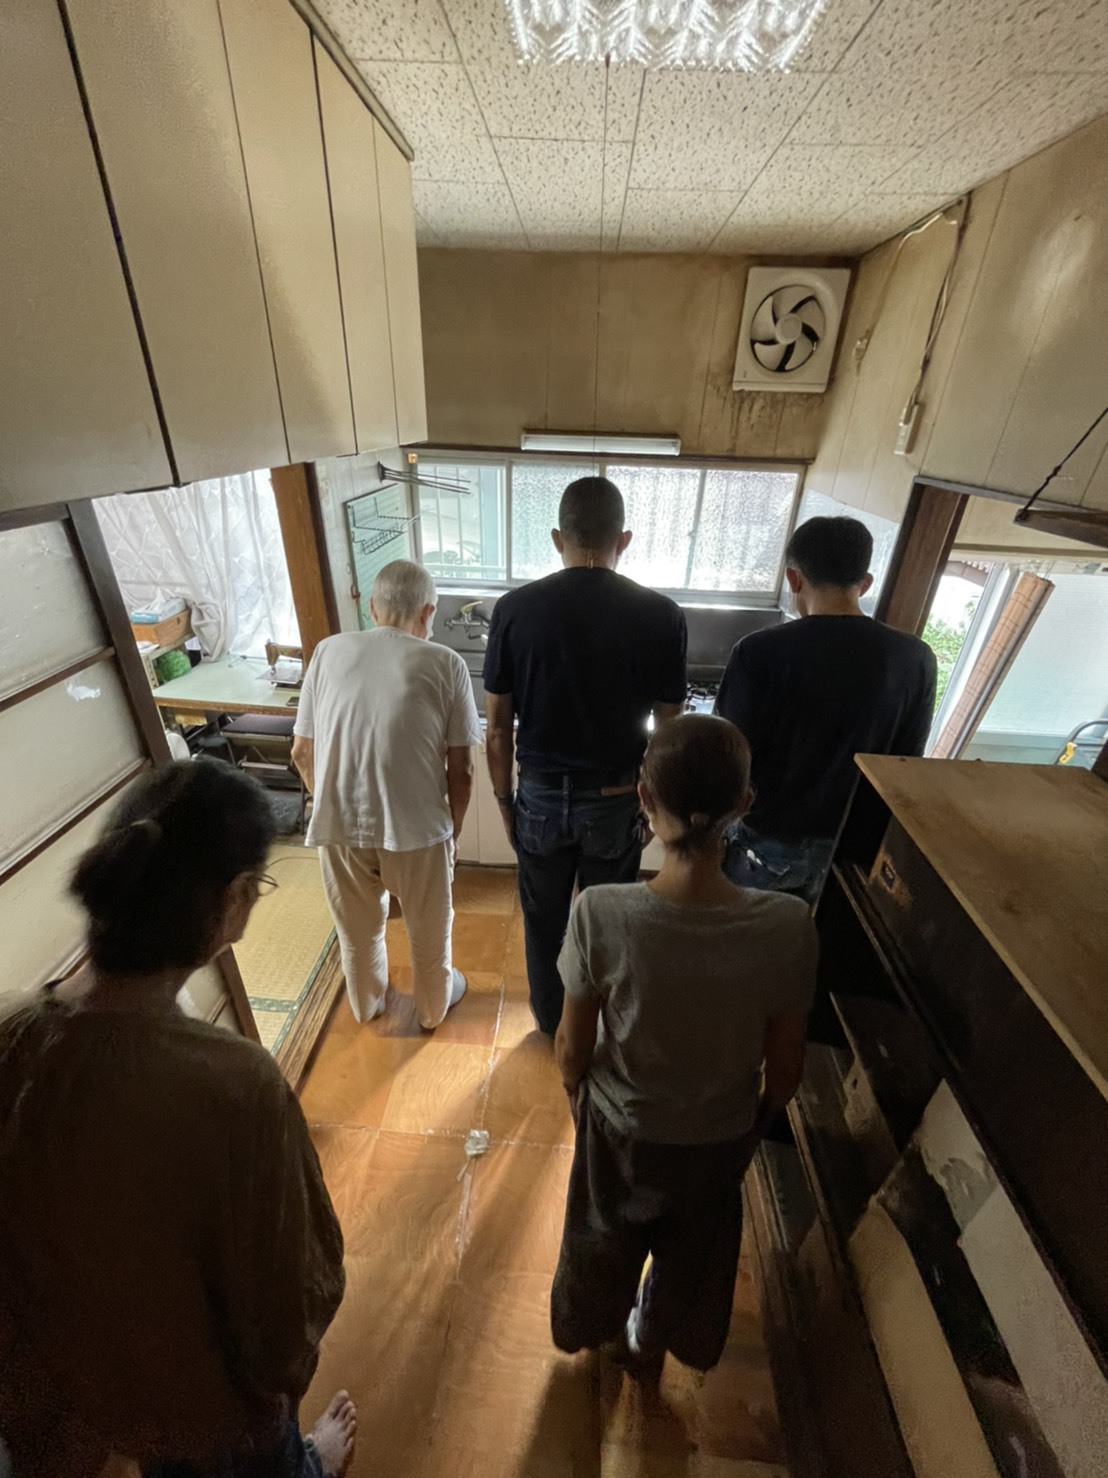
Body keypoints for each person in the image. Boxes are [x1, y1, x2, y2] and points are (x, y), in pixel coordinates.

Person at [0, 761, 353, 1478]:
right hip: (209, 1419)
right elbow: (286, 1318)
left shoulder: (12, 1039)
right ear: (235, 899)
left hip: (76, 1397)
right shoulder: (238, 1088)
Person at [550, 716, 817, 1375]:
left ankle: (600, 1333)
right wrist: (749, 1121)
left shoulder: (600, 913)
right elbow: (786, 1069)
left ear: (644, 798)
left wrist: (580, 1097)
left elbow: (571, 1049)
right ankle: (654, 1339)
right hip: (718, 1140)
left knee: (601, 1240)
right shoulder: (790, 925)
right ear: (743, 805)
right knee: (694, 1257)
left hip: (621, 1132)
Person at [483, 476, 688, 1036]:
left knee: (543, 921)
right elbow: (669, 729)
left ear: (558, 538)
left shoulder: (514, 610)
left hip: (540, 797)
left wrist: (505, 802)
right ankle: (597, 1024)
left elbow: (498, 730)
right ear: (624, 540)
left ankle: (553, 1023)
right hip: (618, 798)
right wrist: (654, 805)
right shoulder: (662, 615)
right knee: (608, 923)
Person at [292, 559, 482, 1028]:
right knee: (429, 936)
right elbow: (462, 770)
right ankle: (433, 1011)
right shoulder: (446, 663)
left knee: (356, 935)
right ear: (429, 612)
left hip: (337, 825)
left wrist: (330, 804)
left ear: (373, 609)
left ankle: (367, 1006)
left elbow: (301, 751)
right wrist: (453, 831)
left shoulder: (327, 652)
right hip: (417, 828)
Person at [715, 515, 937, 905]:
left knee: (743, 935)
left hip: (767, 843)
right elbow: (905, 765)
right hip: (853, 853)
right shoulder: (916, 659)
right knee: (820, 941)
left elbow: (725, 754)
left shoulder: (759, 652)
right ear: (865, 583)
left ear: (793, 578)